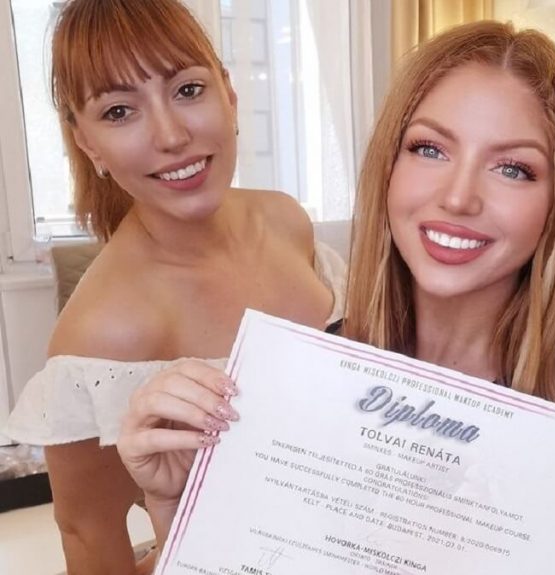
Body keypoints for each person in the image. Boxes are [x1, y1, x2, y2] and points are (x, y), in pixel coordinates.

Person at [117, 20, 555, 574]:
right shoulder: (297, 390)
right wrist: (176, 510)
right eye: (430, 149)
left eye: (513, 168)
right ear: (388, 167)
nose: (459, 197)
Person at [3, 1, 346, 573]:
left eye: (188, 90)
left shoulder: (286, 220)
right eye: (119, 111)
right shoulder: (101, 334)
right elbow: (91, 539)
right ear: (87, 143)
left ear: (228, 93)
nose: (171, 135)